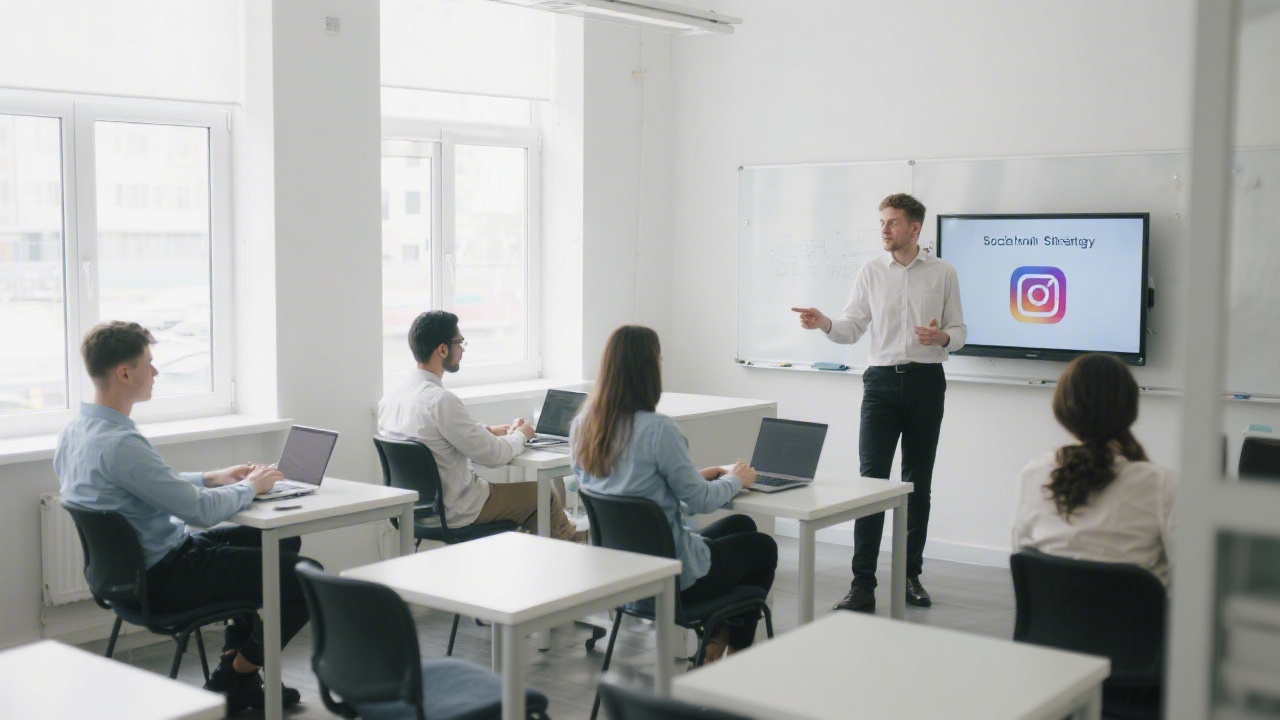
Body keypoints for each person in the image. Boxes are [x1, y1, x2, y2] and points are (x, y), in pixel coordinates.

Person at [53, 321, 311, 712]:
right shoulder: (122, 443)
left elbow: (146, 485)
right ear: (124, 373)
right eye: (148, 363)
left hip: (131, 576)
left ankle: (233, 666)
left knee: (280, 540)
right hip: (167, 577)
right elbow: (200, 512)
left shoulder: (76, 432)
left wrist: (211, 477)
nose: (155, 372)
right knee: (307, 577)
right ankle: (237, 675)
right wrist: (251, 487)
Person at [792, 193, 965, 613]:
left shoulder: (943, 273)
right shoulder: (871, 271)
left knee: (916, 485)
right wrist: (825, 323)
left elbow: (958, 332)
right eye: (882, 222)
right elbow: (852, 328)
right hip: (881, 385)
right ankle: (862, 585)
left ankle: (909, 576)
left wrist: (940, 338)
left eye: (892, 222)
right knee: (870, 485)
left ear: (915, 228)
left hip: (926, 383)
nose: (884, 230)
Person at [570, 325, 777, 662]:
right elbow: (702, 501)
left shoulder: (583, 427)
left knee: (742, 526)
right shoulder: (659, 430)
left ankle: (714, 643)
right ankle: (729, 651)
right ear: (648, 369)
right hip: (673, 581)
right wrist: (737, 479)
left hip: (622, 578)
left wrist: (696, 476)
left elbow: (630, 489)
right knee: (763, 548)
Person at [377, 310, 577, 541]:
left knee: (534, 510)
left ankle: (547, 557)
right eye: (459, 343)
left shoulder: (391, 398)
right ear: (442, 349)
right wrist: (522, 435)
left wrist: (489, 431)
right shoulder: (441, 401)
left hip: (414, 512)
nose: (462, 349)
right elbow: (494, 456)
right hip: (459, 511)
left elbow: (436, 439)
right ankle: (571, 554)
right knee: (543, 495)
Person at [1013, 353, 1177, 586]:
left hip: (1054, 622)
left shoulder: (1034, 475)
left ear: (1061, 408)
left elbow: (1024, 560)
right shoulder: (1163, 485)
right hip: (1133, 621)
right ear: (1130, 407)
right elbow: (1192, 580)